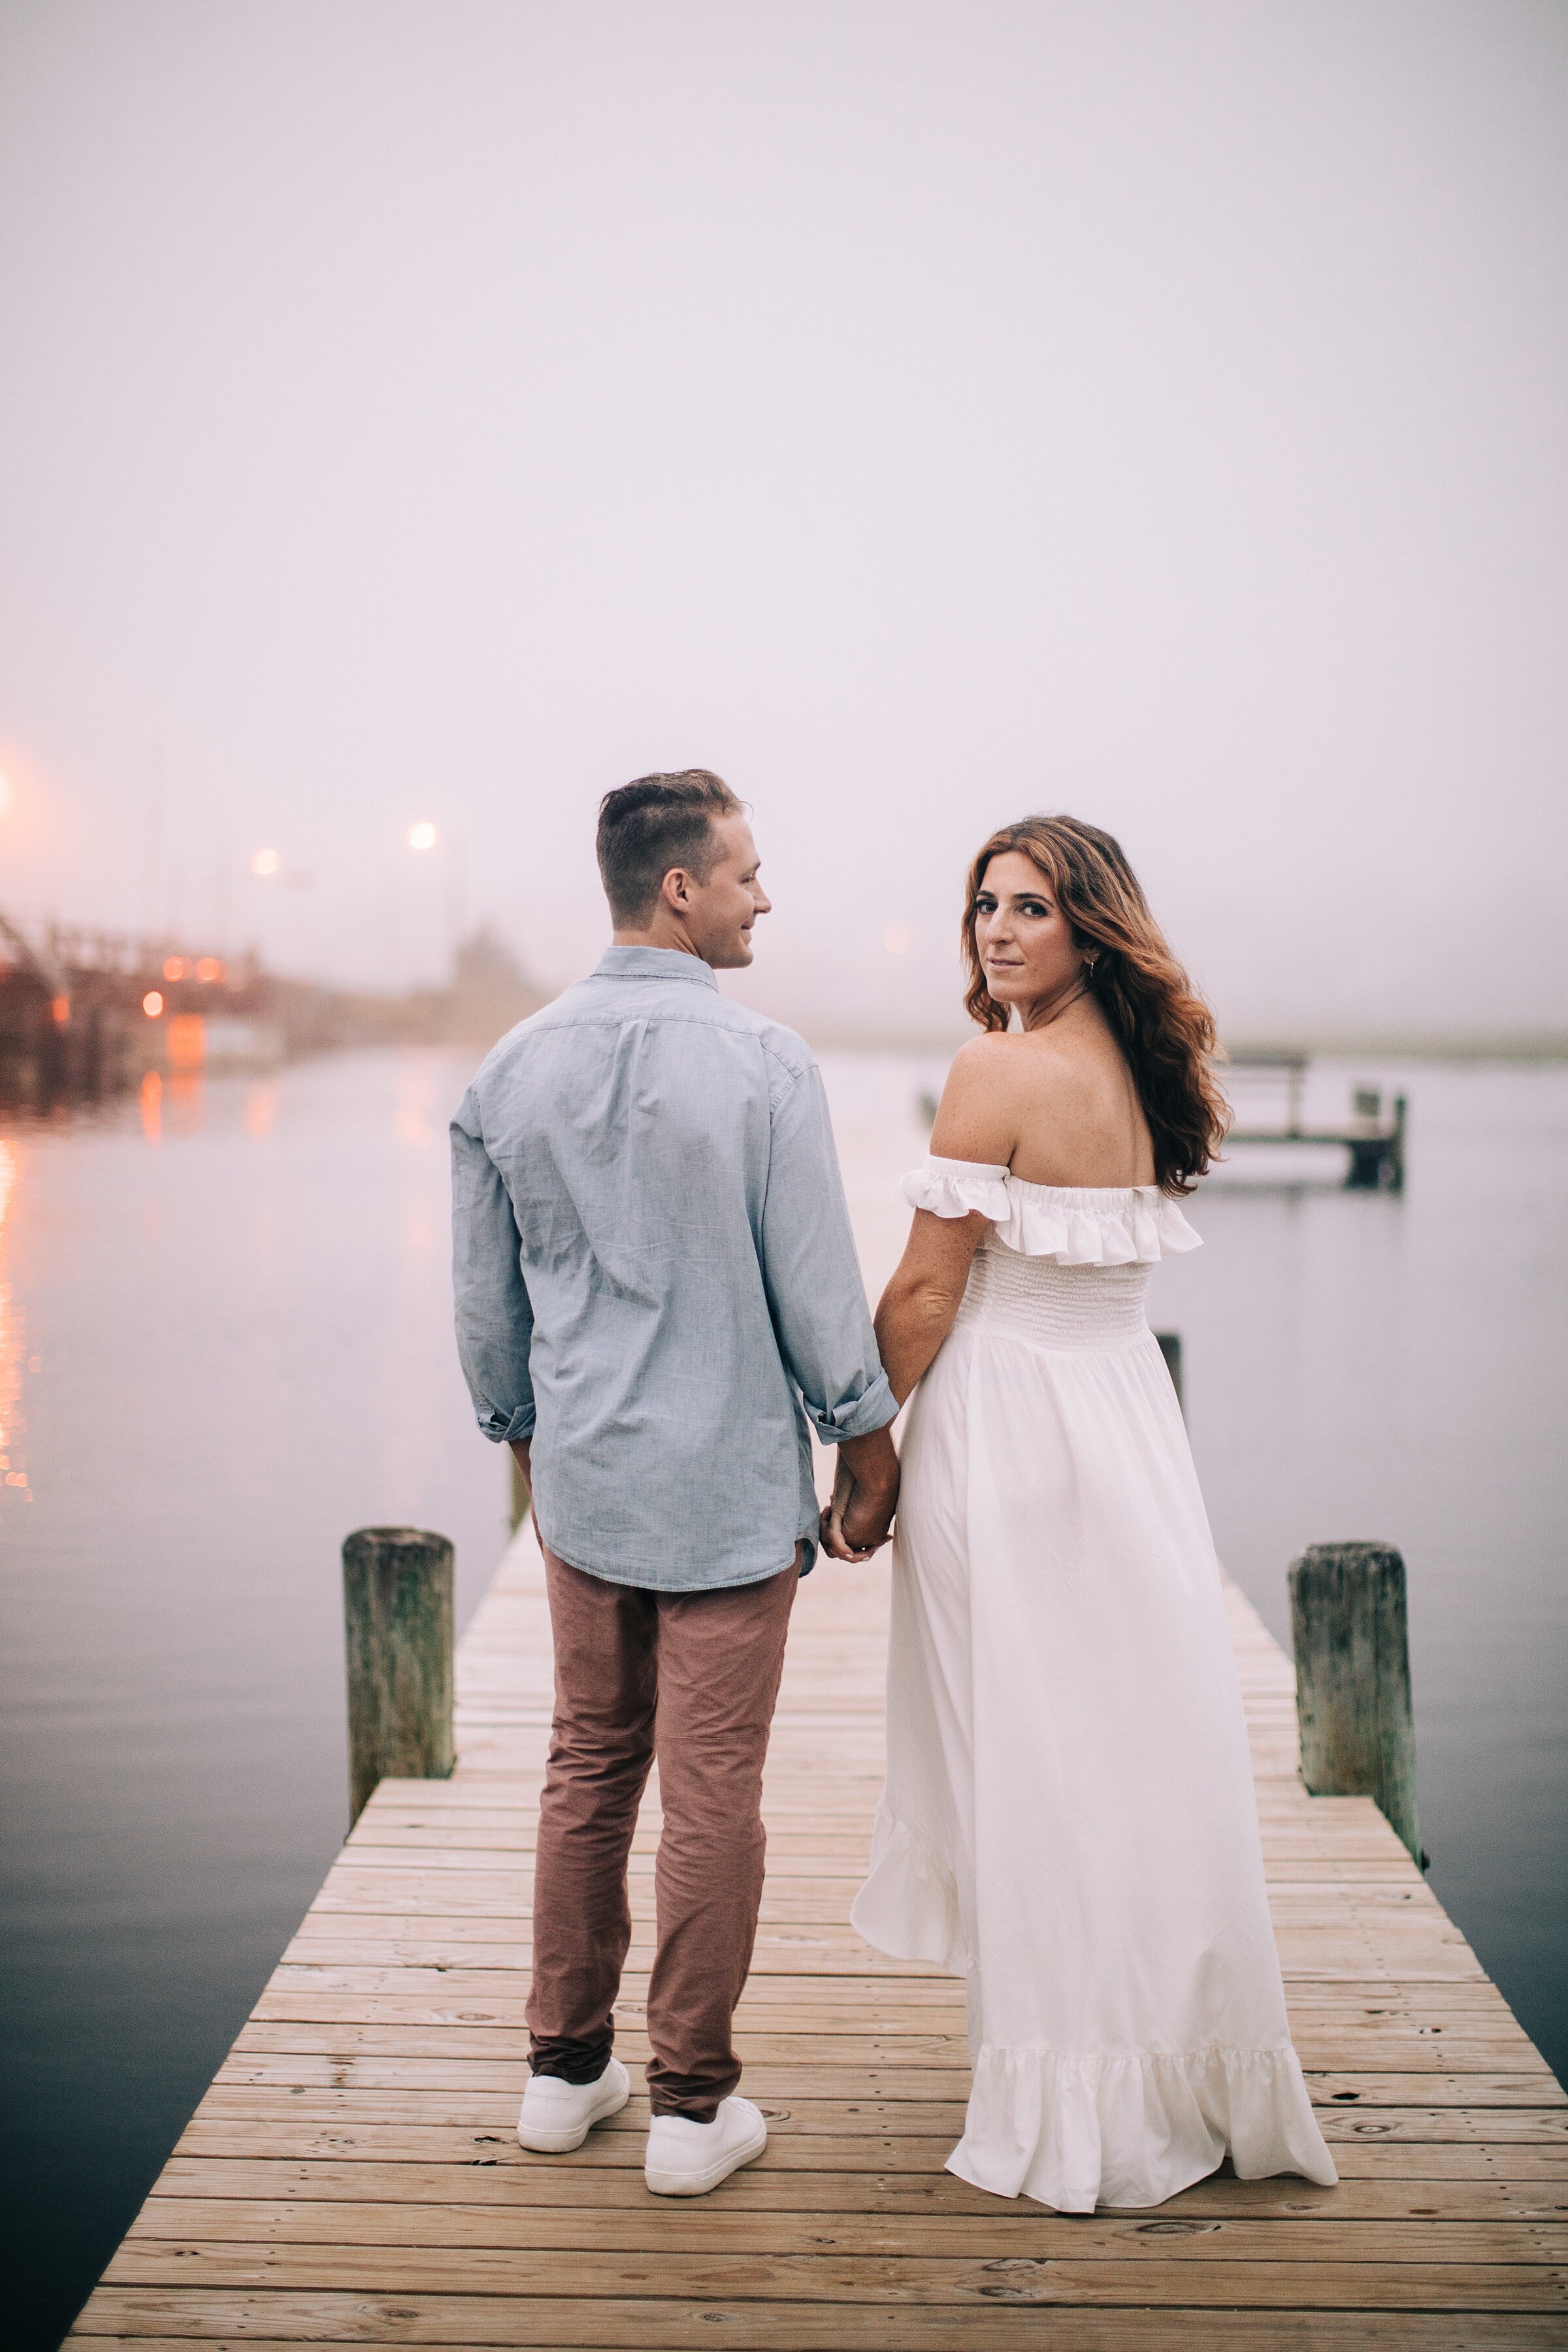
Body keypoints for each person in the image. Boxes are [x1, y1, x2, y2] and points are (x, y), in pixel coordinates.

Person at [832, 814, 1337, 2212]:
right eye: (984, 904)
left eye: (1031, 907)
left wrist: (865, 1456)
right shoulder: (1147, 1068)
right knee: (1131, 1754)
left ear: (1088, 924)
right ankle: (1179, 2069)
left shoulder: (994, 1067)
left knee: (1033, 1757)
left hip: (1005, 1430)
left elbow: (928, 1295)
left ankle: (1066, 2089)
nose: (997, 929)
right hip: (1127, 1426)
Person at [451, 770, 900, 2198]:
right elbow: (818, 1285)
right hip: (724, 1493)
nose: (767, 896)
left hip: (588, 1489)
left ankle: (563, 2076)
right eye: (750, 872)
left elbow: (485, 1305)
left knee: (588, 1767)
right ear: (681, 890)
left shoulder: (507, 1069)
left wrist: (520, 1428)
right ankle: (695, 2111)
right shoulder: (766, 1064)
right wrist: (865, 1437)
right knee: (712, 1794)